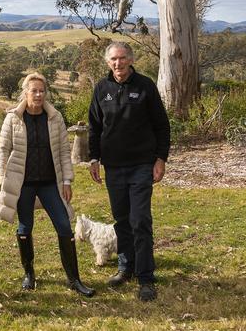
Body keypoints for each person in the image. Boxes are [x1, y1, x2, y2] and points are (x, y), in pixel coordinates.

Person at [0, 72, 96, 298]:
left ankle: (74, 279)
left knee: (64, 226)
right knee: (25, 228)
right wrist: (5, 181)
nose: (38, 95)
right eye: (34, 91)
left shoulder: (55, 117)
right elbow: (3, 150)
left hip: (50, 183)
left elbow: (62, 151)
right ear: (26, 93)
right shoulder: (13, 118)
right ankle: (29, 274)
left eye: (42, 91)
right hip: (23, 185)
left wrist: (67, 180)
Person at [87, 41, 170, 302]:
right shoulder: (101, 88)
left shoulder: (145, 86)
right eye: (113, 59)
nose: (118, 63)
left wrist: (160, 159)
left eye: (122, 58)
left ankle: (145, 277)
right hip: (113, 167)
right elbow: (94, 127)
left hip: (141, 165)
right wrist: (93, 158)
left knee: (140, 220)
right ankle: (126, 267)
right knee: (121, 220)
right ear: (107, 62)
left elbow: (162, 126)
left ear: (131, 60)